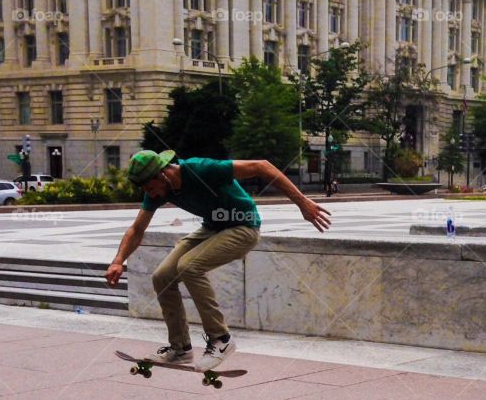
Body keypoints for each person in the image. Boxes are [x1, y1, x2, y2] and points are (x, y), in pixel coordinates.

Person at [105, 150, 331, 371]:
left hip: (243, 227)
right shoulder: (157, 189)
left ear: (163, 174)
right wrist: (118, 260)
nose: (151, 194)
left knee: (189, 266)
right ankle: (180, 348)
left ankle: (221, 339)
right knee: (162, 276)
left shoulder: (201, 169)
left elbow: (262, 165)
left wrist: (302, 202)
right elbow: (137, 229)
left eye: (151, 188)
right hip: (211, 228)